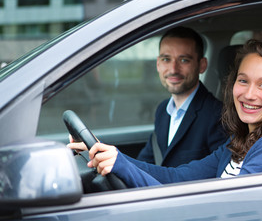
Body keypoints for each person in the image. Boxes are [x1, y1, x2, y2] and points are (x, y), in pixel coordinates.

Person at [84, 39, 262, 188]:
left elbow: (229, 209)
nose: (249, 94)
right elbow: (175, 177)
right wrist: (114, 157)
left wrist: (121, 166)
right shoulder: (241, 141)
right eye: (243, 81)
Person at [68, 26, 228, 167]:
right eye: (166, 59)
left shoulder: (218, 117)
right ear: (158, 64)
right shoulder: (163, 111)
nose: (173, 69)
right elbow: (145, 163)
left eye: (184, 60)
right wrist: (100, 150)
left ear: (202, 65)